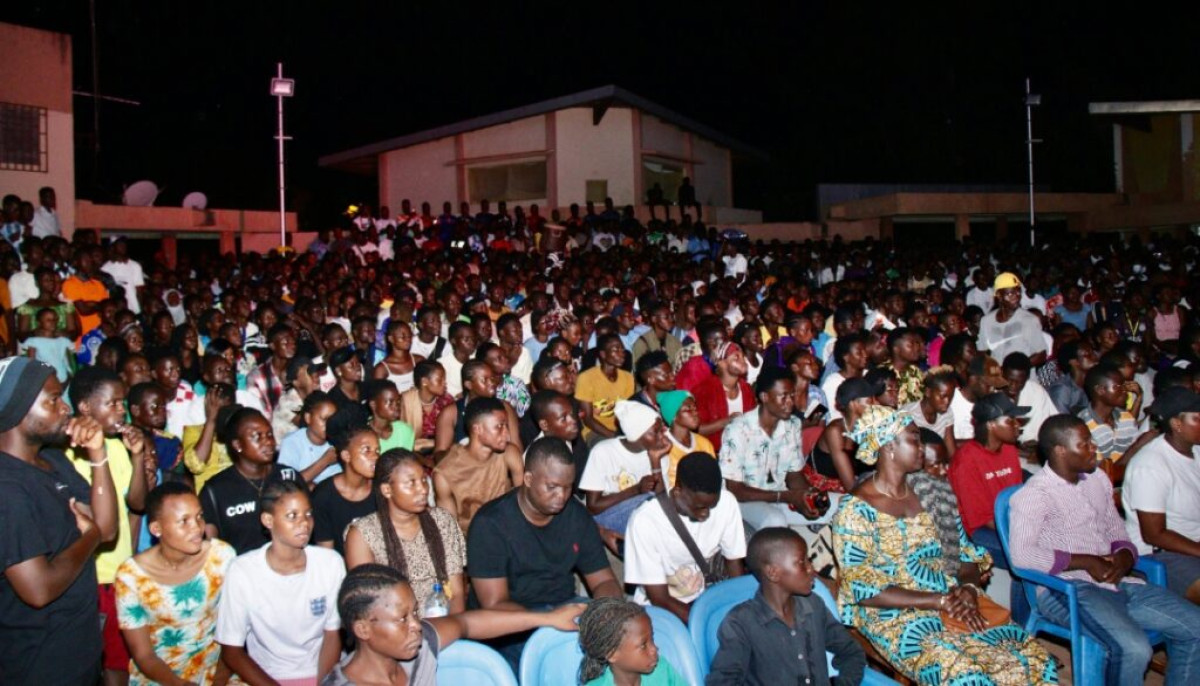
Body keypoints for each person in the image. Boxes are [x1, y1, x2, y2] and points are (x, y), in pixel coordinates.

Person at [832, 404, 1056, 684]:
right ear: (889, 446)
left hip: (952, 598)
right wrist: (939, 602)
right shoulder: (856, 511)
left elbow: (967, 556)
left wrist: (969, 590)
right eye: (914, 437)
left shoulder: (931, 492)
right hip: (893, 614)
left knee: (1034, 660)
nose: (922, 445)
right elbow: (863, 590)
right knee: (965, 675)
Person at [1011, 415, 1200, 685]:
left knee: (1195, 627)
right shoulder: (1034, 496)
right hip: (1067, 590)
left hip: (1117, 580)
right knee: (1134, 649)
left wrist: (1125, 553)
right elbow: (1023, 555)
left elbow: (1115, 528)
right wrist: (1086, 562)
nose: (1094, 449)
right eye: (1085, 444)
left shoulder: (1096, 479)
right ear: (1060, 451)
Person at [0, 357, 116, 684]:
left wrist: (97, 454)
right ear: (19, 409)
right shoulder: (7, 488)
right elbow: (38, 588)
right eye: (53, 400)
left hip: (81, 651)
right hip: (40, 665)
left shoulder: (51, 459)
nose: (66, 409)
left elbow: (106, 528)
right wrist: (88, 538)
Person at [467, 437, 622, 669]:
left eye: (568, 487)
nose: (561, 495)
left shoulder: (576, 516)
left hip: (565, 606)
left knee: (627, 639)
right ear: (528, 479)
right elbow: (495, 604)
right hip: (513, 625)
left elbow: (604, 580)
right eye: (552, 487)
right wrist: (550, 621)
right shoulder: (490, 524)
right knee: (561, 662)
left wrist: (604, 613)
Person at [323, 564, 584, 686]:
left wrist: (548, 619)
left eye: (415, 612)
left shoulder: (419, 647)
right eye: (402, 619)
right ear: (363, 629)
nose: (416, 625)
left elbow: (467, 622)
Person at [69, 366, 154, 685]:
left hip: (119, 571)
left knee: (118, 663)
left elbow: (137, 503)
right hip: (89, 576)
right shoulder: (69, 454)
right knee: (91, 664)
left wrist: (136, 457)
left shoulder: (117, 447)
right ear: (85, 408)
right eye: (113, 403)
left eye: (122, 403)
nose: (121, 411)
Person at [217, 481, 345, 685]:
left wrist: (323, 683)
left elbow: (332, 635)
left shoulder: (330, 563)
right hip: (266, 676)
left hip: (321, 671)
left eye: (308, 514)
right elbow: (231, 650)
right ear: (268, 520)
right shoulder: (243, 571)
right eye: (292, 516)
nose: (304, 523)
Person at [706, 527, 866, 686]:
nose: (811, 569)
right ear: (773, 573)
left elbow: (852, 652)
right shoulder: (741, 623)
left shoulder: (813, 605)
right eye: (802, 562)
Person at [115, 483, 236, 685]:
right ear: (156, 529)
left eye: (199, 517)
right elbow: (143, 655)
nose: (197, 528)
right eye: (184, 521)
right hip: (160, 674)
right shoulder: (132, 576)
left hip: (219, 665)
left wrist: (220, 678)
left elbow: (235, 631)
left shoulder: (221, 557)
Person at [625, 453, 746, 622]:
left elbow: (734, 565)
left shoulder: (727, 503)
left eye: (712, 505)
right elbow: (659, 598)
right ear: (677, 492)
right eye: (699, 507)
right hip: (659, 610)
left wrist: (741, 610)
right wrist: (707, 623)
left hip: (705, 600)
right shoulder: (645, 521)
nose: (705, 514)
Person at [345, 449, 466, 613]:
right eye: (411, 483)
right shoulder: (363, 534)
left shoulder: (442, 521)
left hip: (443, 622)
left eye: (424, 480)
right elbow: (368, 607)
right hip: (392, 627)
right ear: (387, 490)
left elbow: (457, 593)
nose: (423, 489)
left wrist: (449, 629)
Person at [720, 367, 824, 531]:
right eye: (783, 397)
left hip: (779, 497)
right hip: (743, 503)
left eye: (792, 395)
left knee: (839, 506)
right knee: (775, 519)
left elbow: (794, 475)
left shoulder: (792, 425)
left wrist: (810, 495)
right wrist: (787, 497)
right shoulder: (738, 430)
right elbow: (736, 490)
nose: (790, 402)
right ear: (764, 397)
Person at [1123, 387, 1200, 604]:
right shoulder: (1150, 465)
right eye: (1198, 418)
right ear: (1177, 424)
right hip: (1161, 555)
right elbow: (1154, 534)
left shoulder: (1196, 451)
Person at [199, 405, 305, 554]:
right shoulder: (215, 490)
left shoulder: (288, 477)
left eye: (269, 434)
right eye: (257, 436)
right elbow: (211, 548)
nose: (268, 441)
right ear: (238, 445)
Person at [432, 397, 522, 534]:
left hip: (508, 534)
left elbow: (524, 505)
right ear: (477, 429)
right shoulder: (445, 473)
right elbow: (450, 533)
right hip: (470, 542)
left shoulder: (509, 454)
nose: (508, 435)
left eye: (507, 427)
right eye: (499, 427)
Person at [581, 400, 670, 535]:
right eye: (655, 432)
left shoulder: (657, 453)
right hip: (607, 514)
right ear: (637, 434)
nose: (662, 436)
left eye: (661, 430)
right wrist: (636, 490)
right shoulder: (603, 452)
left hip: (643, 510)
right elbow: (593, 507)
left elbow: (662, 498)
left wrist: (655, 461)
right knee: (652, 512)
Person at [312, 405, 380, 556]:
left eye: (377, 451)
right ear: (346, 456)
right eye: (366, 450)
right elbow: (326, 555)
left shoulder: (382, 489)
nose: (375, 457)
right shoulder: (323, 497)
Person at [578, 597, 688, 686]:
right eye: (643, 645)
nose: (654, 649)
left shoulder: (662, 670)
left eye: (652, 639)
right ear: (612, 654)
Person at [693, 341, 755, 452]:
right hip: (714, 453)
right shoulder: (705, 391)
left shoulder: (746, 389)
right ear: (721, 363)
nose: (743, 361)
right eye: (736, 358)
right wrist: (728, 421)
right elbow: (696, 429)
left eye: (743, 356)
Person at [978, 272, 1048, 366]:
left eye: (1018, 291)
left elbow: (1042, 354)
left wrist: (1016, 368)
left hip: (1023, 378)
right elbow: (982, 351)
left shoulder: (1029, 320)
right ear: (999, 295)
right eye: (1010, 293)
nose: (1017, 296)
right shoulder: (986, 321)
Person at [576, 333, 635, 442]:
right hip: (594, 432)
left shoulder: (628, 377)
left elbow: (628, 411)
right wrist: (614, 436)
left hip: (620, 429)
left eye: (622, 349)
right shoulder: (586, 378)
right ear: (603, 354)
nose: (622, 354)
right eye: (616, 350)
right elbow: (588, 419)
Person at [278, 391, 341, 484]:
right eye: (324, 419)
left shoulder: (340, 438)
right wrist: (325, 461)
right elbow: (287, 483)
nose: (330, 424)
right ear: (308, 418)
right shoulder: (292, 442)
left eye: (332, 419)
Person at [656, 389, 715, 488]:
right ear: (674, 415)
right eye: (688, 409)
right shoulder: (661, 445)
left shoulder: (704, 444)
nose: (695, 413)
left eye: (695, 408)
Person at [398, 360, 453, 453]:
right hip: (410, 453)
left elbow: (453, 436)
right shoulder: (405, 401)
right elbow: (398, 435)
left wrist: (431, 443)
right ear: (424, 381)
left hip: (441, 452)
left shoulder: (447, 401)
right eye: (440, 380)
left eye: (444, 379)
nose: (445, 383)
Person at [902, 365, 958, 457]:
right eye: (942, 396)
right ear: (928, 392)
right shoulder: (908, 414)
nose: (947, 402)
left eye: (951, 397)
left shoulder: (947, 413)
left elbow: (951, 451)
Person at [364, 379, 415, 452]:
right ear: (373, 405)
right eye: (390, 403)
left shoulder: (404, 430)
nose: (396, 407)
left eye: (398, 402)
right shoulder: (363, 435)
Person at [373, 319, 423, 392]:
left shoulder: (418, 360)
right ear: (391, 339)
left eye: (409, 336)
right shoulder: (381, 369)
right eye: (402, 336)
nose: (407, 339)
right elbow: (379, 396)